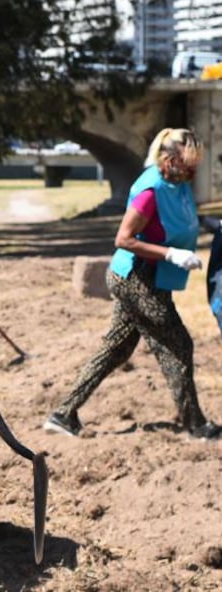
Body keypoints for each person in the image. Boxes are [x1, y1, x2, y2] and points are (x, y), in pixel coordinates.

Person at [44, 128, 220, 440]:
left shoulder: (177, 184)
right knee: (178, 345)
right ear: (168, 159)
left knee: (116, 350)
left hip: (153, 278)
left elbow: (180, 216)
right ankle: (196, 425)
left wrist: (208, 224)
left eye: (196, 163)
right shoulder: (150, 189)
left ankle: (62, 414)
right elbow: (123, 239)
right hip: (136, 278)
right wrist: (171, 254)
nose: (193, 170)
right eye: (187, 162)